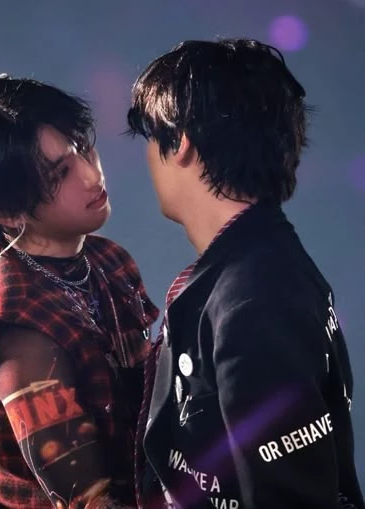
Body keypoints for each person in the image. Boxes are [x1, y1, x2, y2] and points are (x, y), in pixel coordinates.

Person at [127, 39, 364, 509]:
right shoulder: (255, 269)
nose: (149, 157)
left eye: (152, 138)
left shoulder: (255, 297)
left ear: (182, 143)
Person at [0, 75, 158, 508]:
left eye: (82, 147)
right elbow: (89, 502)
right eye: (60, 173)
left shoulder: (104, 257)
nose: (91, 174)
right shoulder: (19, 331)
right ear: (6, 211)